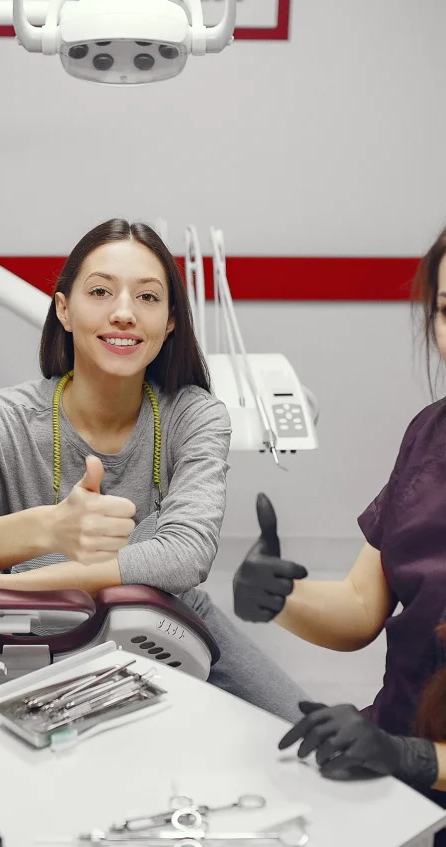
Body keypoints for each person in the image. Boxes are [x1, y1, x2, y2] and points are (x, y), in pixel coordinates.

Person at [0, 217, 310, 723]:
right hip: (27, 637)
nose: (125, 313)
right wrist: (47, 529)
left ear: (171, 321)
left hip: (167, 623)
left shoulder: (194, 416)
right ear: (64, 309)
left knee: (302, 734)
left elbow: (183, 558)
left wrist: (9, 583)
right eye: (101, 291)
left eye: (149, 298)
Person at [232, 226, 446, 814]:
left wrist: (417, 758)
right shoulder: (429, 433)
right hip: (396, 764)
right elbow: (360, 607)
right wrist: (280, 595)